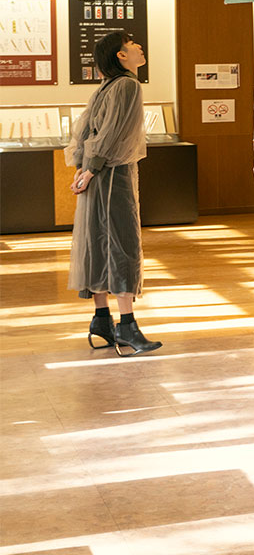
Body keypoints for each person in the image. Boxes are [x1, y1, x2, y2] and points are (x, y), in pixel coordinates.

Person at [66, 31, 161, 356]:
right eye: (132, 44)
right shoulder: (128, 85)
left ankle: (102, 319)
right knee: (122, 242)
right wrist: (91, 168)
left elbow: (87, 131)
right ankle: (127, 325)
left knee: (97, 241)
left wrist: (84, 167)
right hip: (112, 175)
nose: (138, 47)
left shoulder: (105, 87)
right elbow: (111, 134)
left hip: (97, 175)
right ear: (121, 56)